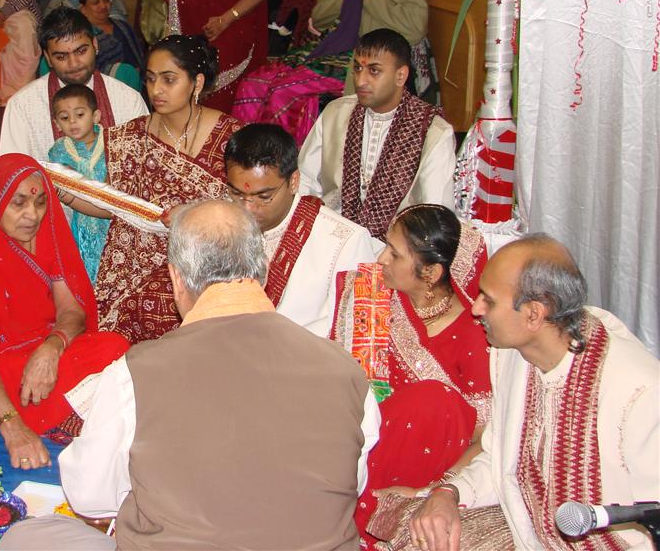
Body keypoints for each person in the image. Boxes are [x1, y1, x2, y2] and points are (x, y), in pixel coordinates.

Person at [0, 200, 380, 551]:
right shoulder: (346, 371)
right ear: (262, 270)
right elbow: (351, 482)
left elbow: (89, 495)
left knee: (26, 538)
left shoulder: (136, 375)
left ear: (176, 279)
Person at [398, 234, 659, 551]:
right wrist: (447, 494)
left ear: (534, 314)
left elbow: (652, 521)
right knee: (418, 532)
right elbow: (501, 458)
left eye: (488, 300)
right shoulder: (513, 355)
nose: (476, 309)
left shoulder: (639, 391)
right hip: (529, 531)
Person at [0, 154, 129, 470]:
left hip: (34, 351)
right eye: (18, 204)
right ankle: (52, 411)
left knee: (114, 348)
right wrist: (12, 425)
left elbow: (72, 311)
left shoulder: (46, 232)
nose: (32, 215)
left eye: (40, 203)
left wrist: (52, 347)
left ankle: (51, 407)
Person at [329, 204, 491, 547]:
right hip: (349, 445)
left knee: (433, 401)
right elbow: (335, 382)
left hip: (421, 475)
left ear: (430, 273)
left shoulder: (474, 334)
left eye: (395, 253)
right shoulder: (368, 295)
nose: (381, 258)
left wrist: (435, 490)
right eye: (386, 244)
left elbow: (483, 437)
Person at [80, 35, 242, 344]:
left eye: (169, 80)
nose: (156, 90)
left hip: (203, 258)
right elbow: (120, 207)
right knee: (129, 311)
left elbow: (247, 211)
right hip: (133, 261)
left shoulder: (231, 137)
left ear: (197, 82)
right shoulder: (132, 135)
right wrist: (71, 196)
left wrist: (195, 214)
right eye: (151, 79)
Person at [233, 0, 429, 142]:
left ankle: (275, 157)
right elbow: (319, 17)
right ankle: (244, 149)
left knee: (283, 91)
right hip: (326, 52)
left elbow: (415, 28)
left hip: (359, 62)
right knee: (254, 82)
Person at [223, 123, 382, 337]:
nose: (248, 208)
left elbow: (365, 332)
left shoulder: (347, 240)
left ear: (294, 181)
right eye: (237, 194)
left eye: (264, 197)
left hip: (306, 364)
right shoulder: (221, 223)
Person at [298, 29, 456, 240]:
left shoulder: (434, 133)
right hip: (332, 235)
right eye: (357, 68)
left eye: (374, 71)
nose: (361, 80)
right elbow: (306, 180)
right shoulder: (336, 113)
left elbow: (435, 213)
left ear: (401, 75)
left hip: (396, 248)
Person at [0, 8, 147, 161]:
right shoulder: (23, 105)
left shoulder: (128, 100)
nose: (74, 64)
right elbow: (13, 169)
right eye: (61, 57)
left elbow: (145, 163)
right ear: (48, 58)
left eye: (81, 51)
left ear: (95, 45)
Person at [47, 84, 110, 283]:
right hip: (79, 221)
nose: (73, 122)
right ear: (57, 124)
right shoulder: (58, 151)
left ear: (96, 116)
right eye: (65, 118)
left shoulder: (113, 143)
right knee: (84, 268)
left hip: (113, 220)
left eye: (80, 114)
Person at [78, 0, 144, 85]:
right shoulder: (82, 36)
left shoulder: (123, 27)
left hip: (134, 85)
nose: (103, 5)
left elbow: (138, 59)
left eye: (106, 0)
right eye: (96, 2)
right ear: (83, 9)